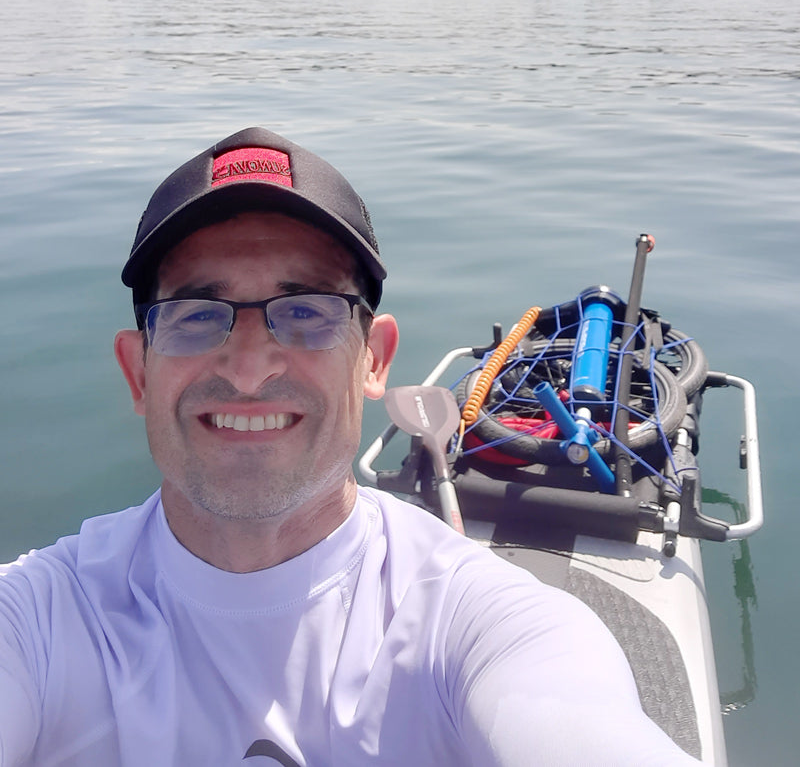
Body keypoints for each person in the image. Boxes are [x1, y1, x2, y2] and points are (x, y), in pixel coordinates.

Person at [0, 127, 702, 766]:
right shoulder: (35, 619)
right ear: (138, 371)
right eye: (194, 315)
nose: (249, 369)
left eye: (305, 312)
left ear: (373, 359)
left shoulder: (484, 630)